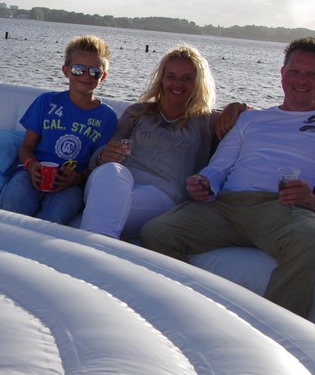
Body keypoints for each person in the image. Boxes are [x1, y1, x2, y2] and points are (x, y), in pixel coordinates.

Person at [140, 37, 315, 317]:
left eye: (312, 74)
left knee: (309, 238)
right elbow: (219, 167)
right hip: (227, 206)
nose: (302, 80)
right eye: (295, 71)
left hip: (287, 210)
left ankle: (274, 328)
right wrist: (206, 183)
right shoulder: (250, 119)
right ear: (282, 74)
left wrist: (314, 202)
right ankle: (196, 311)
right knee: (157, 231)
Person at [79, 45, 244, 239]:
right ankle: (95, 245)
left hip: (161, 193)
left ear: (198, 83)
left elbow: (253, 121)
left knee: (107, 211)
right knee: (111, 172)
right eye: (171, 76)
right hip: (113, 181)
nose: (177, 84)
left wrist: (236, 106)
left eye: (187, 78)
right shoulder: (137, 112)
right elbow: (103, 156)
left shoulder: (207, 122)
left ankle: (90, 243)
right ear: (161, 79)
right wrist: (103, 156)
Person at [0, 35, 118, 224]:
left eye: (94, 71)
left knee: (54, 218)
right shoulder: (46, 102)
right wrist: (31, 166)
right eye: (79, 69)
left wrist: (77, 178)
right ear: (66, 71)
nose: (86, 76)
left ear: (102, 76)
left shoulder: (107, 117)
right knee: (12, 206)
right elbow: (26, 147)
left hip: (72, 184)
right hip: (32, 172)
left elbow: (97, 165)